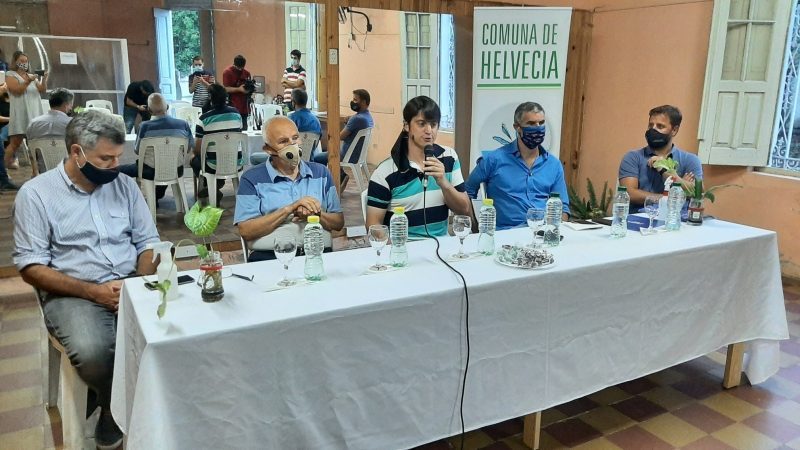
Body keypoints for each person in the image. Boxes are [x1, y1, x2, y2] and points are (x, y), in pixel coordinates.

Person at [12, 110, 159, 450]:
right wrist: (93, 293)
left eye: (118, 157)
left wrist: (136, 283)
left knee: (173, 333)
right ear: (76, 152)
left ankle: (109, 400)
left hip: (129, 283)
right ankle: (112, 410)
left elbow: (148, 242)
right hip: (73, 290)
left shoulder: (124, 186)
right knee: (94, 352)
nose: (115, 166)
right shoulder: (37, 195)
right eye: (106, 159)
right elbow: (30, 267)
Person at [235, 115, 343, 262]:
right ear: (268, 149)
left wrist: (316, 215)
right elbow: (246, 231)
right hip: (270, 256)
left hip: (317, 253)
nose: (292, 145)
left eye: (295, 138)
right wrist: (289, 209)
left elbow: (338, 223)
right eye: (283, 141)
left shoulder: (321, 173)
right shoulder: (252, 178)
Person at [366, 96, 471, 238]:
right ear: (406, 126)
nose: (429, 130)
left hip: (442, 245)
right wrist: (395, 248)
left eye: (433, 124)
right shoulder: (385, 172)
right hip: (404, 246)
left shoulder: (449, 157)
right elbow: (373, 225)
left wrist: (444, 183)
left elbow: (464, 210)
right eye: (421, 124)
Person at [465, 101, 570, 229]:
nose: (538, 128)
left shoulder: (553, 164)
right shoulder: (493, 160)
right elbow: (467, 192)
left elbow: (563, 208)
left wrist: (555, 231)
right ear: (517, 127)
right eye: (531, 123)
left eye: (541, 123)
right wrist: (474, 227)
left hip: (541, 232)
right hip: (506, 233)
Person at [618, 105, 702, 210]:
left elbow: (697, 193)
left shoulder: (690, 160)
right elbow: (630, 194)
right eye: (650, 125)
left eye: (660, 126)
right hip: (637, 217)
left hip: (675, 218)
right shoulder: (632, 157)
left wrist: (665, 170)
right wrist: (675, 193)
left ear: (674, 130)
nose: (653, 130)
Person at [119, 93, 192, 200]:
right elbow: (188, 148)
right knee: (162, 165)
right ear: (167, 107)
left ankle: (127, 200)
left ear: (149, 110)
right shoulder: (183, 124)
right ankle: (156, 195)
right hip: (176, 169)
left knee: (117, 169)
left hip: (150, 171)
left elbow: (137, 151)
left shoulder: (144, 126)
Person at [191, 83, 243, 199]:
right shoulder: (236, 114)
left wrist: (194, 154)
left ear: (210, 98)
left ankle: (212, 188)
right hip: (236, 162)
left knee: (195, 160)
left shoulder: (204, 119)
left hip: (214, 165)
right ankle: (215, 187)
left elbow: (198, 149)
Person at [313, 88, 373, 186]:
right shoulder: (368, 117)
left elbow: (340, 137)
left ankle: (321, 184)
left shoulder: (356, 119)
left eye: (355, 100)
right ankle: (340, 175)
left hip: (347, 155)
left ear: (364, 102)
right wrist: (350, 119)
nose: (353, 102)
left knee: (316, 158)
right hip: (358, 155)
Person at [4, 50, 47, 174]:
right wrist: (28, 80)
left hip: (34, 113)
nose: (24, 63)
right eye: (21, 61)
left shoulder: (31, 76)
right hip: (20, 114)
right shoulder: (10, 74)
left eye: (26, 61)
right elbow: (17, 90)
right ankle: (2, 169)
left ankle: (35, 173)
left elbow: (42, 89)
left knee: (34, 144)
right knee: (15, 143)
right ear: (15, 62)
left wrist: (44, 78)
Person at [222, 54, 252, 131]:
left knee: (244, 129)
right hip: (233, 105)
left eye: (242, 68)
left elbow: (249, 86)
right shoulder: (227, 72)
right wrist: (239, 89)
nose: (240, 69)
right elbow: (226, 89)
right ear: (234, 64)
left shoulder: (246, 73)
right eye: (238, 68)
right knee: (234, 129)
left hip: (244, 106)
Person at [0, 83, 17, 190]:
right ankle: (4, 180)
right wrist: (12, 119)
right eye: (3, 85)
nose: (6, 86)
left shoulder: (15, 101)